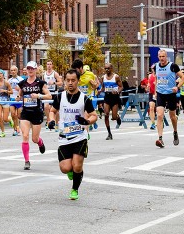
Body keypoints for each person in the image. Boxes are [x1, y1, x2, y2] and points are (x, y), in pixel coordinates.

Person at [48, 69, 98, 201]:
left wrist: (87, 121)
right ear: (65, 81)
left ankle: (75, 189)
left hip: (80, 136)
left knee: (77, 165)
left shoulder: (84, 98)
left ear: (78, 81)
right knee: (65, 168)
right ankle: (72, 172)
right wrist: (51, 120)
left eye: (73, 80)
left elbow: (94, 116)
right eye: (68, 80)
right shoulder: (60, 97)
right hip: (64, 137)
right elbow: (52, 111)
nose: (70, 83)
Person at [17, 61, 51, 170]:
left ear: (36, 70)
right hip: (26, 112)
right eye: (28, 68)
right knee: (25, 136)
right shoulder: (22, 83)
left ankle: (40, 142)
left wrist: (38, 96)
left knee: (34, 139)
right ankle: (27, 161)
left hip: (36, 112)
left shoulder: (40, 83)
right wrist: (18, 97)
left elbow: (49, 96)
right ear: (26, 70)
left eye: (32, 68)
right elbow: (20, 94)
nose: (30, 70)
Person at [153, 49, 184, 148]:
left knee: (172, 117)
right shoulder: (156, 66)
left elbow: (183, 78)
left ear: (166, 56)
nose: (161, 59)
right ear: (158, 57)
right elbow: (156, 79)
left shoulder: (173, 66)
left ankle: (175, 132)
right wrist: (155, 92)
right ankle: (160, 138)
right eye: (160, 57)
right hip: (160, 93)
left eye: (163, 56)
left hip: (171, 93)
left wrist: (177, 87)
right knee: (159, 115)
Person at [101, 63, 122, 139]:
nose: (107, 70)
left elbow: (121, 86)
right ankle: (109, 133)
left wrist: (117, 91)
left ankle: (117, 117)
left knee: (113, 117)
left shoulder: (116, 77)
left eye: (108, 68)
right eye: (105, 68)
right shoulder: (103, 77)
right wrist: (100, 91)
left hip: (114, 97)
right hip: (107, 97)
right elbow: (103, 87)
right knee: (106, 114)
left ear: (111, 68)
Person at [0, 70, 12, 138]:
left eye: (1, 73)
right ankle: (3, 132)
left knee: (5, 119)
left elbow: (11, 91)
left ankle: (9, 119)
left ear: (3, 75)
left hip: (6, 101)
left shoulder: (6, 83)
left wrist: (5, 91)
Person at [7, 65, 24, 136]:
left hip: (18, 99)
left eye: (14, 70)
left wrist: (20, 90)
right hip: (12, 99)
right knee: (13, 114)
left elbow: (24, 89)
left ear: (17, 71)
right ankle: (15, 129)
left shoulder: (20, 79)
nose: (13, 72)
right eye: (12, 70)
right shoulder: (9, 80)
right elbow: (7, 89)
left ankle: (19, 127)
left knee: (19, 116)